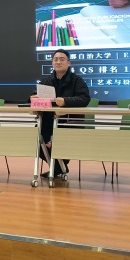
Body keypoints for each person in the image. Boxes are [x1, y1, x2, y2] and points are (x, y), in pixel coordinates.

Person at [31, 48, 90, 179]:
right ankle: (60, 167)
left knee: (62, 140)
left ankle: (58, 168)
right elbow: (33, 96)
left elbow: (84, 99)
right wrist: (32, 98)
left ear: (68, 63)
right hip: (48, 122)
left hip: (70, 122)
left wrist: (65, 101)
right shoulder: (46, 81)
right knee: (35, 138)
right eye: (55, 59)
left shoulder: (77, 80)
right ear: (52, 63)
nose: (58, 62)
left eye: (62, 59)